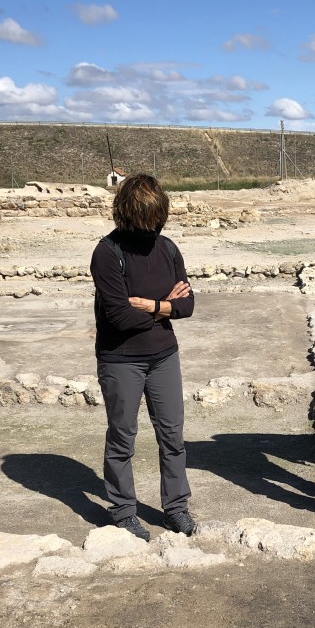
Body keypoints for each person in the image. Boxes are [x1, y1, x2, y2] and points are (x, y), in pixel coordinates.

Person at [91, 174, 195, 541]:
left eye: (157, 222)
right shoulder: (108, 253)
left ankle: (176, 507)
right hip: (121, 360)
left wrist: (152, 305)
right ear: (128, 216)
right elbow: (119, 317)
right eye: (145, 223)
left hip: (164, 355)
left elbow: (188, 305)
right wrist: (166, 307)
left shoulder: (167, 248)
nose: (151, 231)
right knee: (123, 436)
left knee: (172, 435)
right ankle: (123, 512)